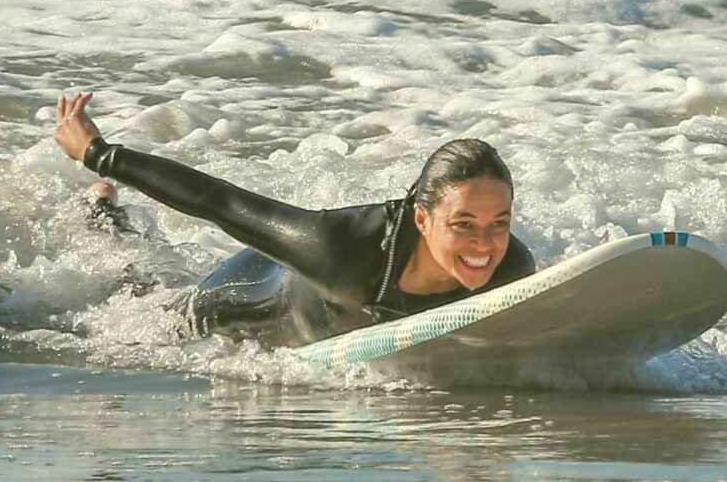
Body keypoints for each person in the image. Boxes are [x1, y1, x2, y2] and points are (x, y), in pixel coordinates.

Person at [54, 92, 536, 348]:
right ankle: (105, 218)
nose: (484, 243)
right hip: (245, 301)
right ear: (422, 218)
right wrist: (99, 153)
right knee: (150, 302)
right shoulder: (341, 252)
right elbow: (219, 203)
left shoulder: (510, 267)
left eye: (499, 223)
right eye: (464, 223)